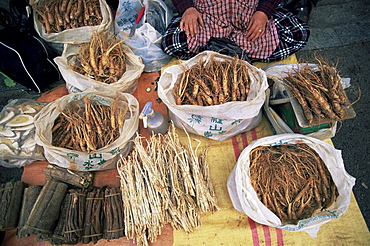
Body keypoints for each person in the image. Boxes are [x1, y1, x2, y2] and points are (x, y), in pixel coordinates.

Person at [161, 0, 310, 62]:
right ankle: (236, 53)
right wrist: (187, 8)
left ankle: (224, 53)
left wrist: (263, 12)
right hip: (207, 16)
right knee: (171, 43)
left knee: (299, 33)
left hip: (248, 15)